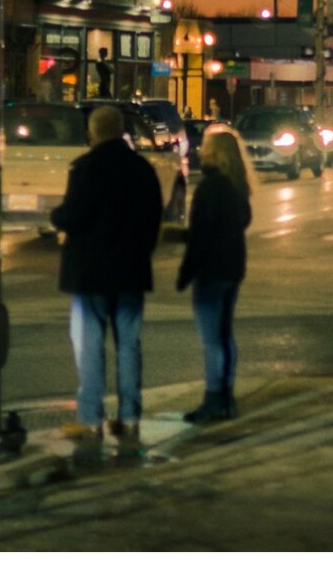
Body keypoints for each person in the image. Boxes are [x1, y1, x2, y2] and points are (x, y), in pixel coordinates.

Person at [50, 104, 163, 452]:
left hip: (90, 274)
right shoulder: (142, 169)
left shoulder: (86, 168)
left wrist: (56, 216)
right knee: (129, 344)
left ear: (93, 132)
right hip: (130, 271)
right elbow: (153, 217)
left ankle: (90, 417)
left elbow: (74, 215)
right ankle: (129, 414)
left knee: (90, 346)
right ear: (122, 131)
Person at [177, 126, 253, 423]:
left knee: (211, 339)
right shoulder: (238, 187)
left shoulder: (210, 188)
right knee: (224, 335)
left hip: (210, 270)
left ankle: (213, 399)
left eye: (206, 146)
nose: (200, 151)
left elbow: (200, 236)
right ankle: (226, 396)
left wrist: (185, 273)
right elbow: (240, 223)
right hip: (232, 266)